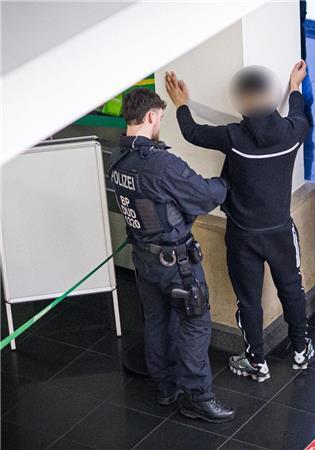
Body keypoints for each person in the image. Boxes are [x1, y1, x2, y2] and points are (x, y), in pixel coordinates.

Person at [164, 61, 315, 383]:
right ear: (271, 97)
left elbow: (192, 133)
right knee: (292, 289)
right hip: (280, 231)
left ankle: (256, 362)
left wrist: (181, 104)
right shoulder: (293, 132)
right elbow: (299, 111)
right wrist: (295, 85)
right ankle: (301, 350)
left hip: (243, 235)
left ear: (242, 101)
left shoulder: (233, 137)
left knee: (248, 301)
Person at [108, 88, 234, 422]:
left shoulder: (117, 159)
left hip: (143, 258)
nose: (160, 124)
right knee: (195, 324)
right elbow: (204, 195)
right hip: (176, 263)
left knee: (158, 320)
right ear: (151, 116)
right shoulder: (160, 164)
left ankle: (166, 388)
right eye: (161, 118)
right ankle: (198, 398)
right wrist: (227, 180)